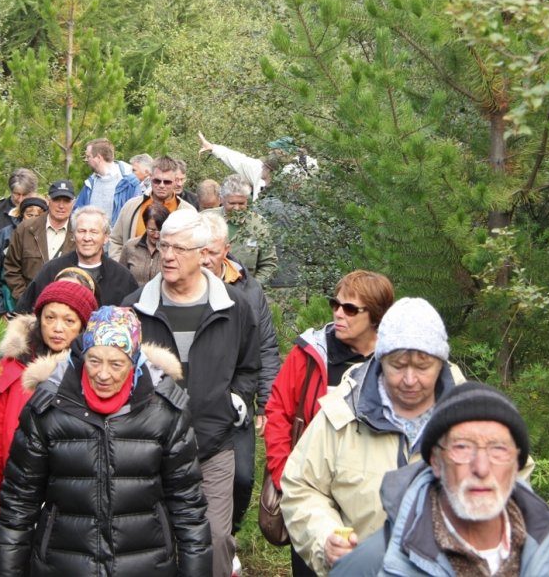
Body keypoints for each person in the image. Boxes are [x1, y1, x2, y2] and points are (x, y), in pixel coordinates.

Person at [0, 306, 212, 575]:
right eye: (94, 361)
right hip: (63, 565)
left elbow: (189, 508)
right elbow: (17, 506)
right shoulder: (48, 409)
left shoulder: (165, 412)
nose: (103, 374)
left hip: (146, 564)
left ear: (134, 361)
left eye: (116, 364)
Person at [280, 297, 467, 576]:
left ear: (441, 363)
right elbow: (301, 486)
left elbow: (514, 494)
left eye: (422, 366)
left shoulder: (472, 418)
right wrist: (324, 538)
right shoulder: (344, 411)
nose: (410, 380)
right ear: (380, 360)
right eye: (398, 365)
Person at [122, 210, 261, 577]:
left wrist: (234, 399)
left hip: (213, 443)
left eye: (180, 249)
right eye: (164, 246)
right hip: (149, 447)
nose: (168, 256)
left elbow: (249, 365)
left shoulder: (233, 307)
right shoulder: (134, 307)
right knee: (154, 542)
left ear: (203, 254)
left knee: (214, 540)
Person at [330, 382, 549, 577]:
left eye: (498, 449)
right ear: (436, 461)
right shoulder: (376, 564)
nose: (481, 468)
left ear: (516, 463)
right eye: (462, 447)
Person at [263, 270, 395, 576]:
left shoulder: (396, 362)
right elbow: (278, 412)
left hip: (370, 504)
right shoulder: (309, 354)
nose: (338, 313)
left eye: (350, 309)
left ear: (376, 316)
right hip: (312, 497)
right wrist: (286, 476)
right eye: (335, 304)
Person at [0, 280, 98, 543]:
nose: (57, 328)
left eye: (69, 321)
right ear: (39, 319)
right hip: (18, 500)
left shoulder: (97, 374)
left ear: (83, 326)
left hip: (78, 509)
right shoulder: (11, 370)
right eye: (50, 318)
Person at [199, 212, 280, 538]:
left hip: (238, 397)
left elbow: (266, 347)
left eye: (212, 252)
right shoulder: (184, 287)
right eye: (200, 250)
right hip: (196, 395)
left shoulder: (249, 290)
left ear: (226, 250)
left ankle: (228, 533)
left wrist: (266, 403)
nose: (205, 259)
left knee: (243, 476)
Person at [16, 206, 138, 311]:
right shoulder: (51, 270)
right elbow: (24, 311)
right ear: (73, 235)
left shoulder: (122, 277)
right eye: (81, 231)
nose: (87, 238)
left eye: (94, 232)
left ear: (106, 237)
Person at [109, 156, 196, 260]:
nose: (162, 185)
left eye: (167, 182)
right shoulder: (131, 207)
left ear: (175, 181)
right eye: (157, 181)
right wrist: (121, 265)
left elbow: (194, 248)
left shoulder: (188, 212)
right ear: (150, 178)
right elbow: (116, 240)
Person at [4, 180, 76, 302]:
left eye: (66, 201)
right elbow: (11, 267)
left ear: (73, 203)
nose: (61, 206)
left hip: (67, 305)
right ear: (48, 200)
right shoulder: (26, 228)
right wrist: (24, 298)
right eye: (57, 200)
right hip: (30, 306)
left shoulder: (81, 232)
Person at [0, 195, 47, 320]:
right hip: (7, 306)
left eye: (38, 216)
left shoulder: (49, 239)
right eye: (29, 215)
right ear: (21, 214)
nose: (33, 219)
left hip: (39, 309)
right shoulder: (4, 236)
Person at [215, 174, 278, 284]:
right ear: (222, 199)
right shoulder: (206, 219)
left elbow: (269, 264)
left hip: (246, 287)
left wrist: (253, 288)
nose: (237, 208)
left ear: (247, 200)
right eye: (232, 203)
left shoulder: (259, 225)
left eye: (241, 203)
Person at [74, 138, 141, 225]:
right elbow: (77, 212)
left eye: (88, 156)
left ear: (98, 158)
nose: (86, 160)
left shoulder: (129, 183)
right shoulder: (90, 184)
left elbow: (136, 216)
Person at [119, 203, 169, 286]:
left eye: (160, 230)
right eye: (152, 230)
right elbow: (121, 277)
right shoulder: (130, 246)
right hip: (134, 294)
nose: (156, 235)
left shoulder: (170, 250)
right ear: (145, 226)